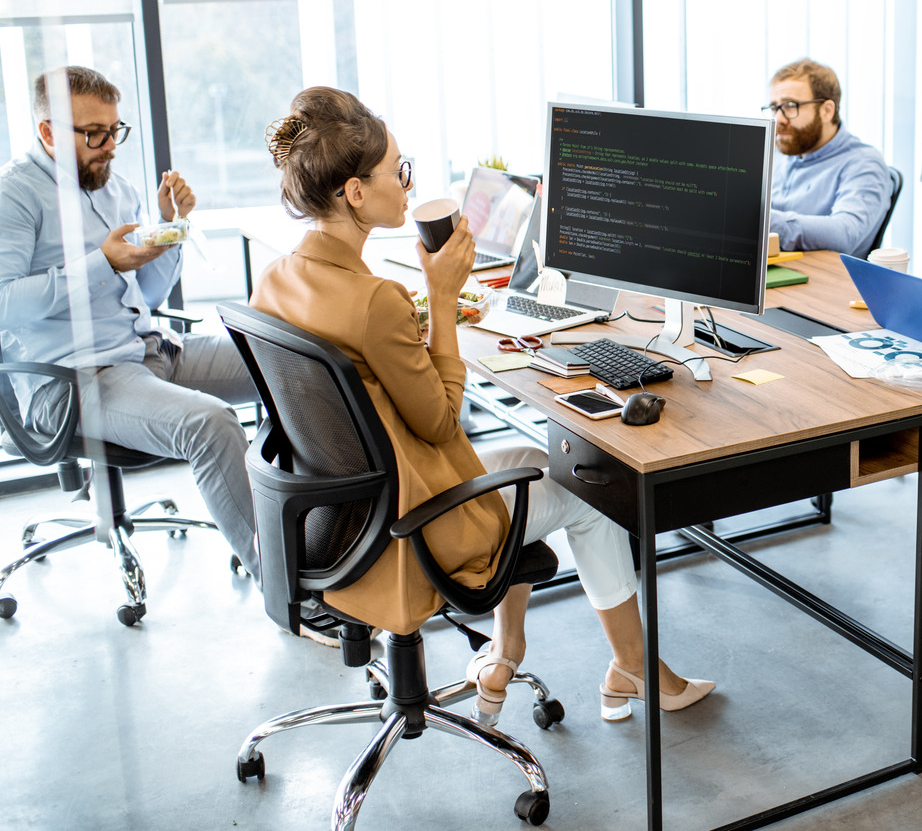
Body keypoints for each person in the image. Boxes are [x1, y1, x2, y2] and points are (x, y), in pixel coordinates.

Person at [252, 86, 713, 723]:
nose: (407, 185)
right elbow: (441, 422)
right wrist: (442, 299)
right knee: (591, 489)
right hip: (408, 529)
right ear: (355, 193)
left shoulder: (276, 278)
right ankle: (633, 666)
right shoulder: (374, 300)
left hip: (340, 515)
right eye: (398, 171)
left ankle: (507, 649)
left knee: (531, 458)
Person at [0, 66, 260, 579]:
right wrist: (104, 262)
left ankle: (305, 536)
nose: (109, 145)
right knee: (211, 426)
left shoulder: (114, 188)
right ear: (48, 132)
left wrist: (171, 227)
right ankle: (285, 587)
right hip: (74, 380)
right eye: (93, 133)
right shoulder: (15, 196)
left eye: (115, 130)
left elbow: (150, 293)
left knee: (288, 366)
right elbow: (5, 303)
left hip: (145, 349)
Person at [764, 58, 894, 258]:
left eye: (790, 106)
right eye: (774, 108)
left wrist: (761, 219)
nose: (778, 119)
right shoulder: (780, 150)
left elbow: (844, 233)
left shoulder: (864, 163)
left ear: (826, 111)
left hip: (821, 281)